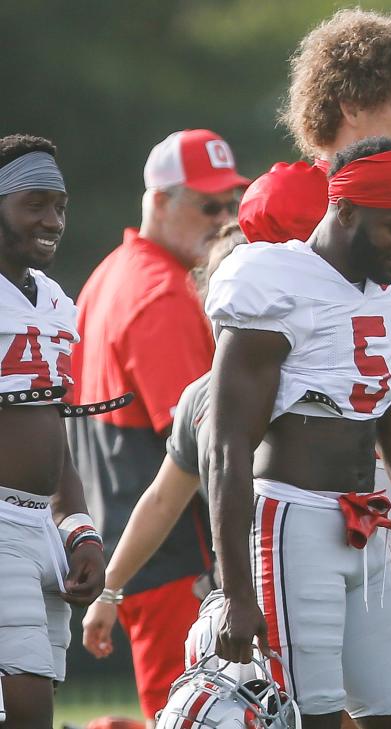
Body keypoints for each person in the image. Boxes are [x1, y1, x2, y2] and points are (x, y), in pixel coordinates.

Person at [207, 137, 391, 729]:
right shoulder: (274, 278)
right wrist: (237, 592)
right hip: (292, 526)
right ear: (344, 210)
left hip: (365, 525)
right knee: (309, 719)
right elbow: (227, 449)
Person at [237, 8, 391, 689]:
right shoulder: (283, 198)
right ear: (348, 102)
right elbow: (249, 368)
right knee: (315, 679)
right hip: (313, 469)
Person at [68, 129, 249, 726]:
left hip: (134, 542)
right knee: (203, 716)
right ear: (160, 200)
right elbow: (205, 446)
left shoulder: (109, 275)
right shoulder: (163, 294)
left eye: (232, 204)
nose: (225, 219)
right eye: (209, 204)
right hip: (177, 554)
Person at [80, 224, 245, 661]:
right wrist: (109, 592)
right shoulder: (202, 397)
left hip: (314, 584)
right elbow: (163, 499)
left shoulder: (318, 385)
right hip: (229, 590)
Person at [0, 134, 105, 727]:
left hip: (41, 522)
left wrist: (78, 526)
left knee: (34, 698)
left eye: (60, 205)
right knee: (27, 704)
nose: (53, 220)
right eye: (34, 204)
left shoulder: (56, 299)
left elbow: (52, 425)